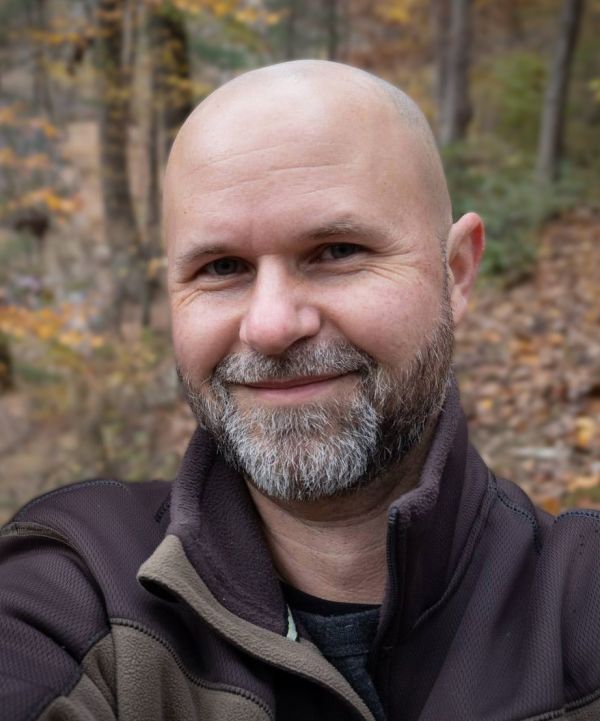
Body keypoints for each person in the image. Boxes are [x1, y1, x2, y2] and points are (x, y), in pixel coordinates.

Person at [1, 60, 599, 721]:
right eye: (221, 267)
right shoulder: (71, 589)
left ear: (455, 273)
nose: (272, 325)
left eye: (337, 251)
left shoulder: (581, 604)